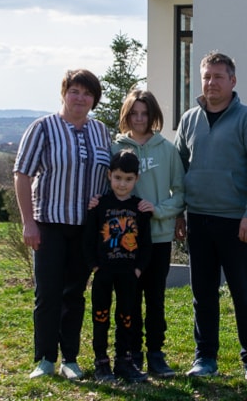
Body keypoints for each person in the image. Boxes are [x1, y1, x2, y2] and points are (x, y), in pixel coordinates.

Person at [174, 51, 247, 384]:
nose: (211, 83)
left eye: (218, 76)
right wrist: (178, 213)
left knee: (244, 292)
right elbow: (179, 169)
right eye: (206, 77)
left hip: (237, 223)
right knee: (203, 293)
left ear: (232, 80)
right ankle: (205, 357)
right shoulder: (189, 119)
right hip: (198, 220)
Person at [13, 69, 113, 380]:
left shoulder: (100, 132)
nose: (80, 98)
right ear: (63, 94)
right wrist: (28, 223)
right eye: (75, 91)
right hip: (49, 224)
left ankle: (70, 358)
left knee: (74, 294)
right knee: (48, 294)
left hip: (85, 229)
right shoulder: (42, 128)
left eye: (87, 93)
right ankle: (44, 358)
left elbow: (110, 178)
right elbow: (22, 174)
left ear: (94, 99)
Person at [112, 89, 185, 378]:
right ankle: (131, 354)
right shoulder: (115, 148)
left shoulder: (166, 150)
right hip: (125, 240)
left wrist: (158, 210)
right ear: (126, 115)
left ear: (153, 115)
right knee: (128, 299)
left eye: (144, 113)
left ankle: (156, 353)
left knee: (155, 298)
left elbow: (180, 193)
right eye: (134, 113)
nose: (139, 119)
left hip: (158, 237)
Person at [84, 149, 153, 383]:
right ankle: (101, 362)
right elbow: (88, 238)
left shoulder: (139, 208)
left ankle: (123, 361)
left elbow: (145, 242)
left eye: (128, 179)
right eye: (118, 178)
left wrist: (138, 269)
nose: (122, 184)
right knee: (100, 316)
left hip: (128, 273)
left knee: (127, 317)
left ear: (136, 179)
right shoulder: (99, 205)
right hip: (103, 272)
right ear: (109, 175)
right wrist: (95, 266)